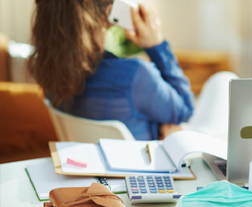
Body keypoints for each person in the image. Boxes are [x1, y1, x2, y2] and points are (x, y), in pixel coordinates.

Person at [27, 0, 194, 141]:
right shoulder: (135, 76)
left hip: (90, 173)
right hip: (141, 174)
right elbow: (185, 108)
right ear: (109, 12)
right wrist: (156, 45)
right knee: (220, 82)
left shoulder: (48, 70)